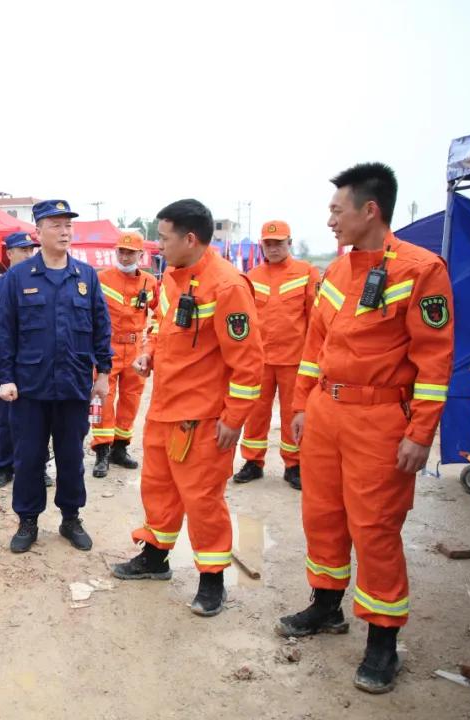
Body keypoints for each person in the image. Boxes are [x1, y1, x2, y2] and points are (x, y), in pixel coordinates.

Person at [276, 163, 454, 694]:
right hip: (328, 415)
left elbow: (435, 361)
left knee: (374, 528)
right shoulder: (335, 272)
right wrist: (305, 404)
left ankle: (382, 641)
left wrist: (421, 433)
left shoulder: (421, 271)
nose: (330, 220)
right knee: (322, 514)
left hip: (380, 421)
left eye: (337, 209)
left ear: (368, 210)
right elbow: (316, 347)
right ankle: (327, 606)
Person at [112, 199, 263, 619]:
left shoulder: (227, 285)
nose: (157, 246)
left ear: (190, 239)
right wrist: (148, 354)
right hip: (163, 409)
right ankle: (155, 557)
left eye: (163, 237)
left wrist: (234, 419)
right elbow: (161, 329)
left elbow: (248, 361)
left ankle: (211, 580)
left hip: (201, 418)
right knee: (158, 488)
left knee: (202, 500)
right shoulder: (174, 279)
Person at [0, 200, 112, 553]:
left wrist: (103, 373)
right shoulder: (18, 277)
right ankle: (27, 521)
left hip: (74, 384)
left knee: (71, 456)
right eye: (57, 225)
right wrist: (6, 378)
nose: (65, 231)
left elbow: (101, 327)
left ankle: (71, 517)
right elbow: (5, 333)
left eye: (68, 225)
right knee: (28, 457)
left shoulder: (85, 276)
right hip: (30, 387)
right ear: (38, 231)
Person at [233, 220, 320, 490]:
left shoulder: (307, 273)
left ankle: (293, 464)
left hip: (295, 360)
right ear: (262, 246)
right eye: (268, 244)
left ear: (289, 243)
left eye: (278, 243)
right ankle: (252, 462)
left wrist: (314, 358)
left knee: (293, 414)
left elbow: (316, 319)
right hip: (260, 360)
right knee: (255, 413)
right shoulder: (251, 277)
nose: (273, 248)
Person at [92, 232, 159, 478]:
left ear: (141, 255)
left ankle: (120, 448)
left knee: (131, 399)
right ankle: (101, 451)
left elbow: (161, 314)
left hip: (134, 349)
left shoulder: (150, 283)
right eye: (121, 250)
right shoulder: (101, 279)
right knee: (102, 400)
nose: (124, 255)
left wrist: (150, 344)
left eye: (130, 252)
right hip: (106, 348)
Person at [0, 232, 42, 489]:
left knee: (38, 420)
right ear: (9, 253)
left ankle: (37, 467)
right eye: (22, 250)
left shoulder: (43, 281)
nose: (28, 254)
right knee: (6, 419)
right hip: (6, 364)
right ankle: (3, 467)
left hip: (36, 364)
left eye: (31, 250)